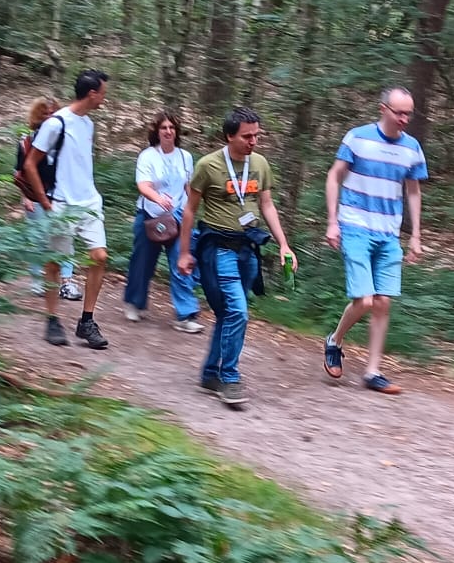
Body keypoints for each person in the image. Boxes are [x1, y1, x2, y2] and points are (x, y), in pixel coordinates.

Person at [177, 108, 298, 409]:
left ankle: (209, 374)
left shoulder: (260, 164)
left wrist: (284, 244)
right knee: (238, 313)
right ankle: (229, 377)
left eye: (257, 135)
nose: (253, 141)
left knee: (229, 314)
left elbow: (267, 205)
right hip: (219, 249)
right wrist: (184, 252)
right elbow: (190, 209)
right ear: (229, 136)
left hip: (248, 249)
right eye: (247, 136)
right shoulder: (208, 166)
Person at [321, 87, 429, 394]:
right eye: (399, 112)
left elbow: (413, 191)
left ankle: (372, 371)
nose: (405, 119)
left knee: (382, 303)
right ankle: (335, 340)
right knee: (365, 300)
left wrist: (416, 235)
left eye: (409, 113)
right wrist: (332, 222)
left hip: (389, 232)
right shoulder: (357, 138)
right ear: (383, 109)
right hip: (355, 226)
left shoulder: (412, 148)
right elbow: (334, 176)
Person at [21, 70, 112, 349]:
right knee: (55, 263)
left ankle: (86, 321)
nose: (105, 98)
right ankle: (52, 320)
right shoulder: (57, 122)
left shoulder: (88, 124)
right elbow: (29, 164)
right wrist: (44, 201)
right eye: (103, 93)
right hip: (61, 203)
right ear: (92, 93)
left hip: (89, 203)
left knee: (99, 257)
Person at [123, 111, 202, 333]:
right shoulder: (147, 156)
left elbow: (189, 186)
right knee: (142, 262)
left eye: (172, 128)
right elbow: (144, 185)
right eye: (164, 128)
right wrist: (159, 199)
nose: (168, 131)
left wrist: (191, 209)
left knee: (182, 260)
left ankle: (185, 315)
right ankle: (134, 303)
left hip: (178, 217)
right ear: (157, 132)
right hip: (151, 216)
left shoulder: (185, 157)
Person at [17, 98, 79, 299]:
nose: (49, 117)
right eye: (45, 113)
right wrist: (25, 197)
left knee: (65, 239)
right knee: (38, 241)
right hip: (35, 197)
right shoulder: (26, 142)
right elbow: (20, 171)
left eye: (53, 113)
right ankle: (37, 280)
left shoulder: (65, 142)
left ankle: (66, 282)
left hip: (61, 197)